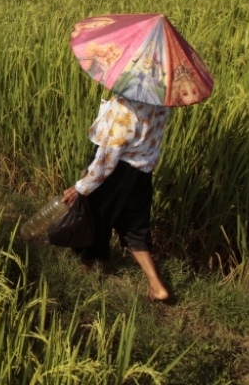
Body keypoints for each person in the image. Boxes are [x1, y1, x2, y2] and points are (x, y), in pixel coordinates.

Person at [61, 94, 170, 301]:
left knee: (93, 216)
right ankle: (156, 285)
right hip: (141, 173)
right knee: (135, 227)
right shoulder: (161, 102)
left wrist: (81, 186)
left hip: (116, 171)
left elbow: (107, 158)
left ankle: (87, 270)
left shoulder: (125, 107)